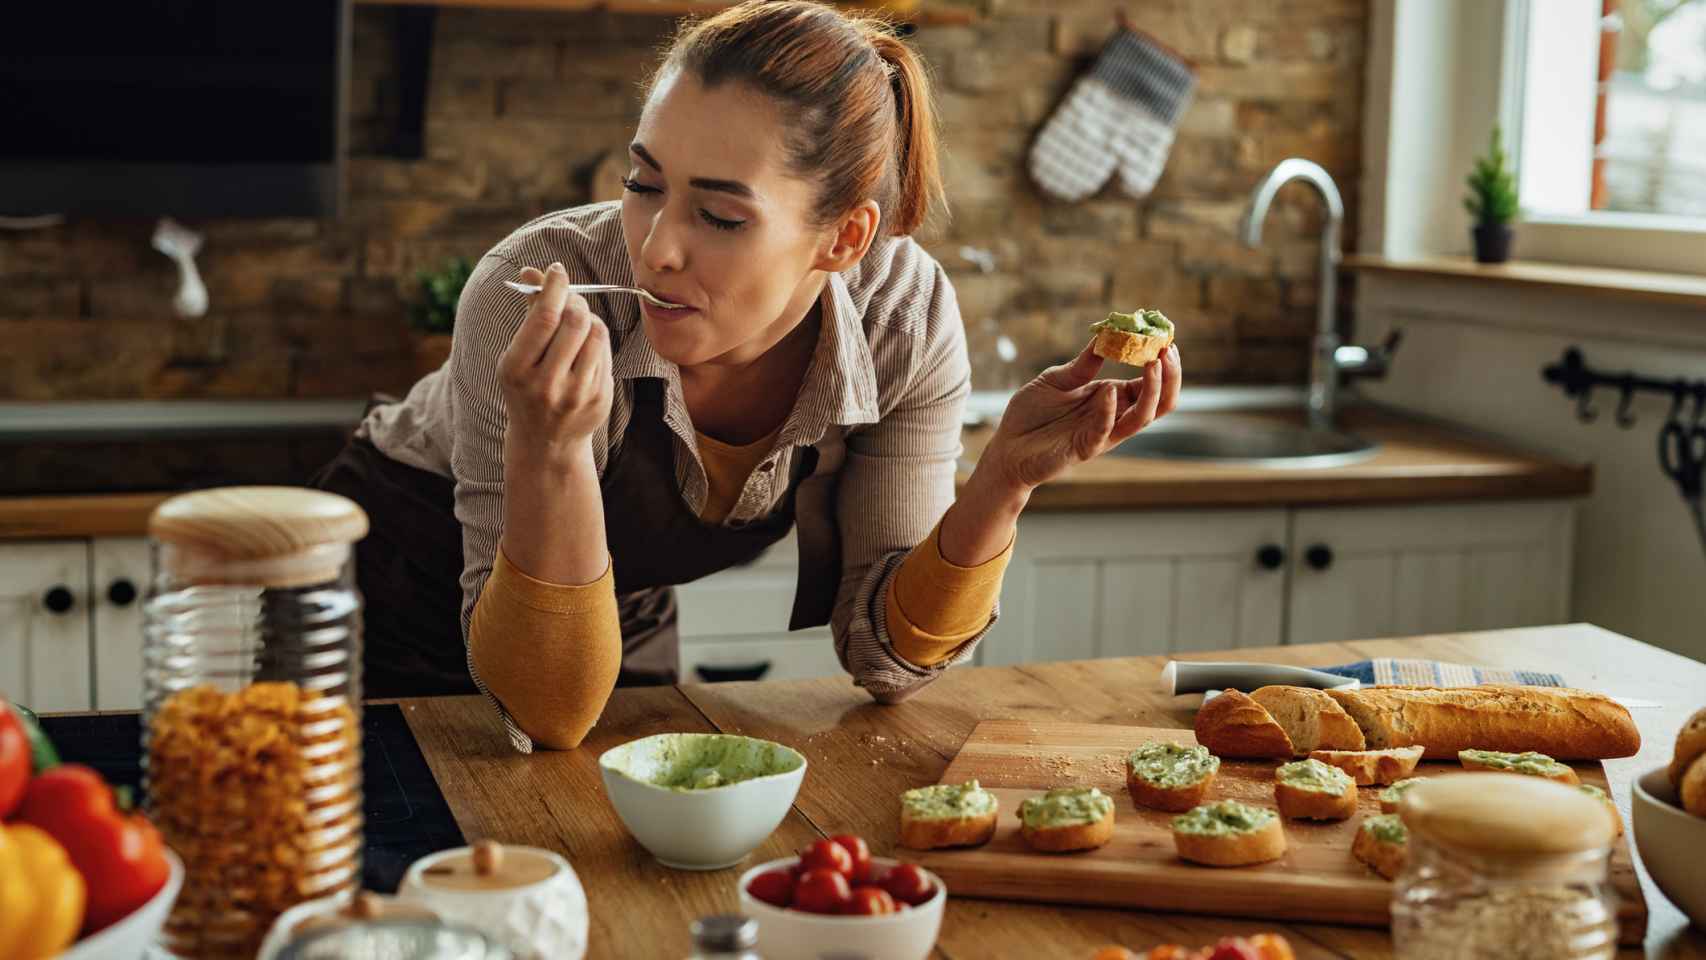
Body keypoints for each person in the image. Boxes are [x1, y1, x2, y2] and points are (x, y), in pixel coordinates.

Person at [312, 0, 1182, 753]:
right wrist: (551, 450)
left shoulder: (901, 322)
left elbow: (886, 660)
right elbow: (539, 711)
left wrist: (999, 484)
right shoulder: (540, 286)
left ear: (843, 239)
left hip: (614, 601)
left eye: (720, 215)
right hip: (402, 585)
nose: (656, 249)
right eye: (642, 184)